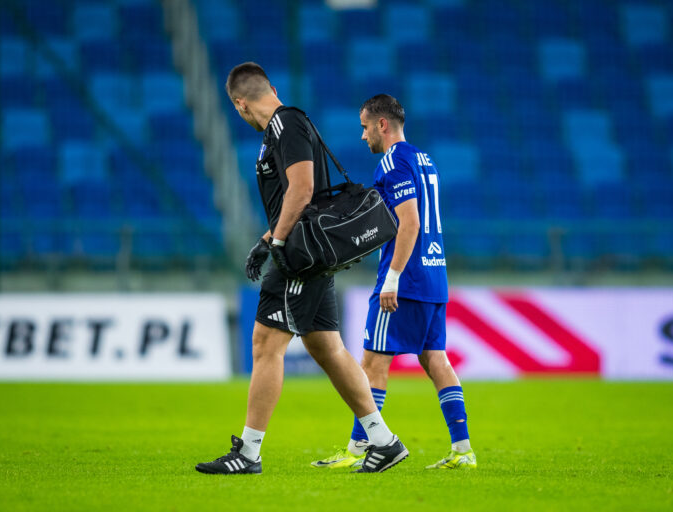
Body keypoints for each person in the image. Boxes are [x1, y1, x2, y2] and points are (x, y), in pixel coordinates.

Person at [195, 63, 408, 475]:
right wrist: (265, 240)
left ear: (239, 104)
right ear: (271, 88)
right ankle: (384, 441)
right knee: (326, 348)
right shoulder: (287, 125)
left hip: (299, 255)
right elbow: (294, 198)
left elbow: (303, 189)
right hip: (308, 251)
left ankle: (249, 453)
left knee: (265, 345)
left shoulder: (284, 124)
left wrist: (275, 243)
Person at [311, 94, 476, 470]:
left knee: (371, 363)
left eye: (365, 127)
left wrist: (393, 278)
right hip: (435, 275)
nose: (363, 135)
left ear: (382, 124)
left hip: (406, 279)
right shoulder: (424, 159)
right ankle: (463, 449)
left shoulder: (392, 161)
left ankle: (358, 449)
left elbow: (410, 222)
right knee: (435, 359)